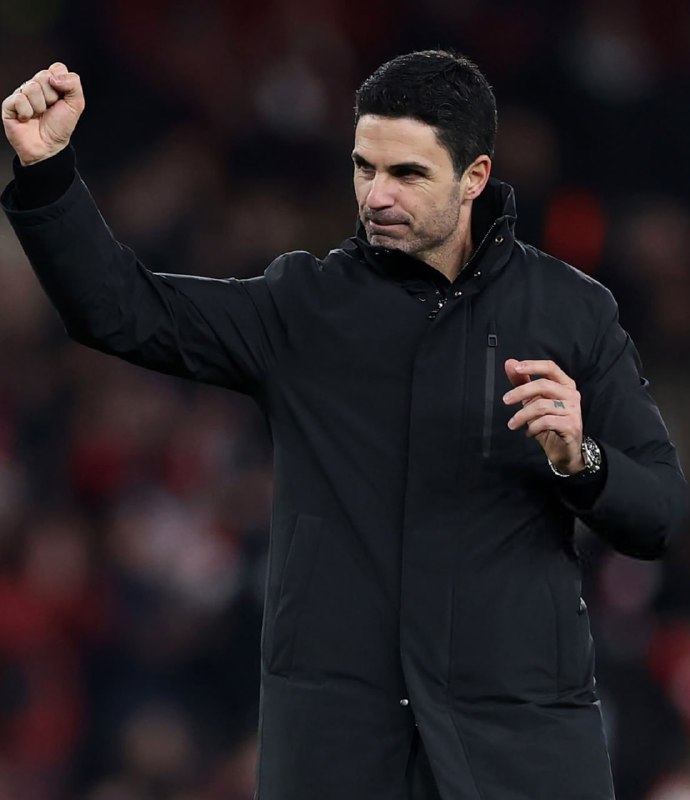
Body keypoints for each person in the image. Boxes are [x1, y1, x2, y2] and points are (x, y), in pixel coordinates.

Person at [1, 51, 687, 800]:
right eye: (365, 167)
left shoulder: (570, 311)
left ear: (475, 177)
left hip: (519, 746)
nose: (377, 196)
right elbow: (121, 310)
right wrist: (47, 172)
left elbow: (660, 515)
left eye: (408, 174)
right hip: (340, 749)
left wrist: (581, 458)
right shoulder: (304, 307)